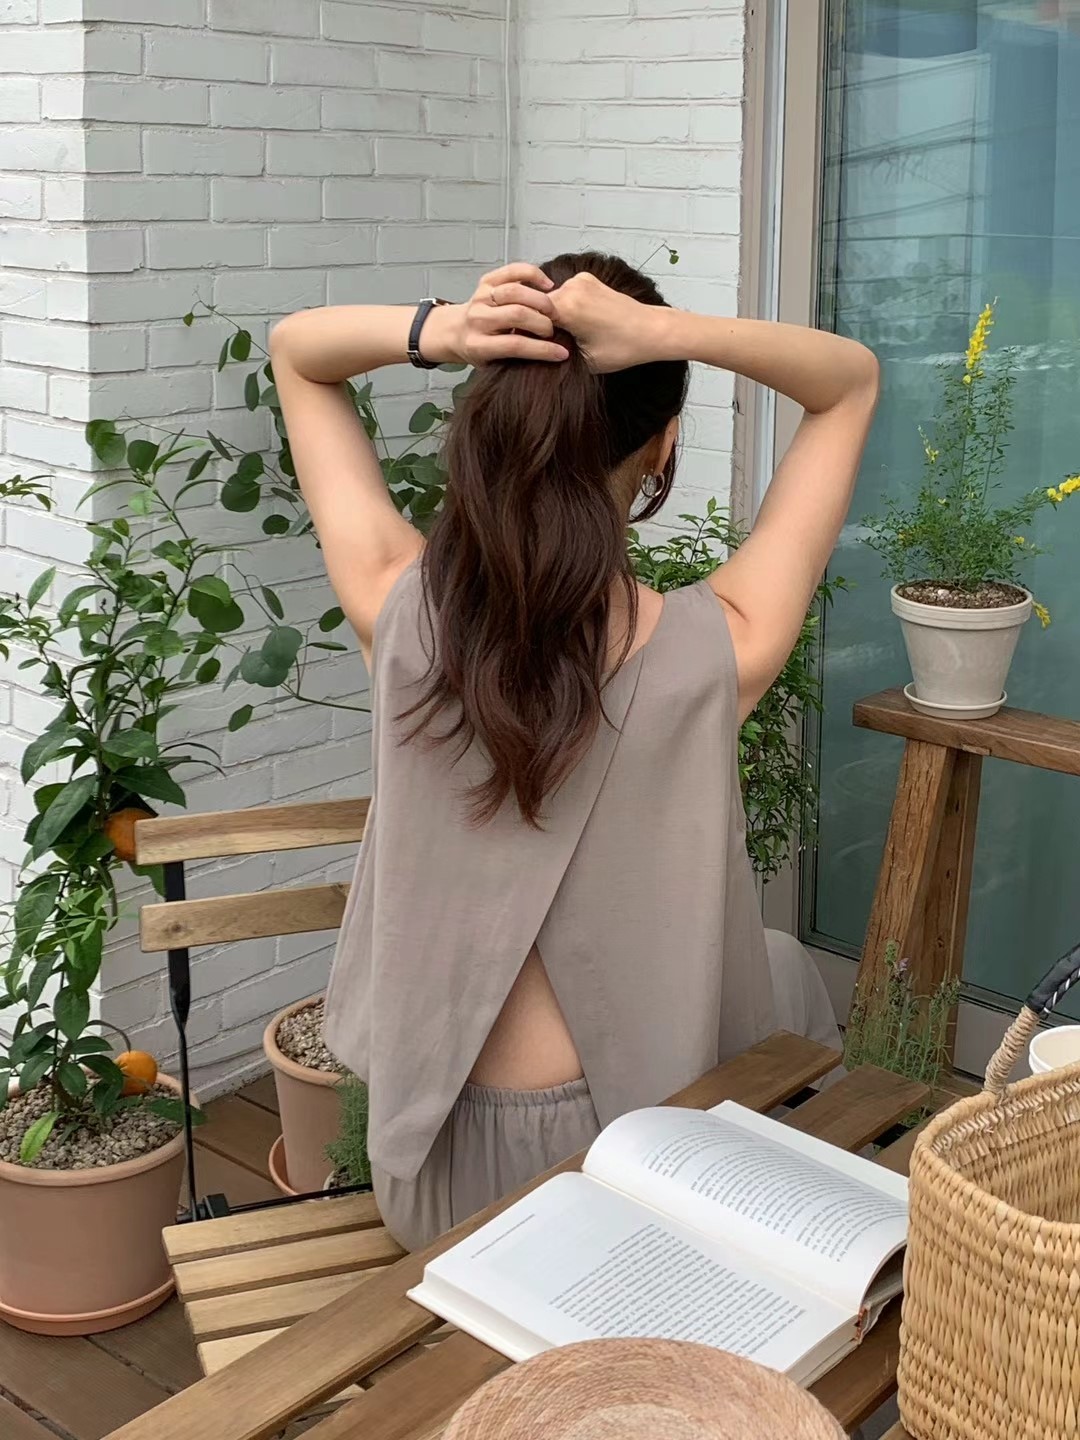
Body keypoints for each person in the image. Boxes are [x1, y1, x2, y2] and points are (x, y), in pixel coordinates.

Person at [269, 254, 879, 1251]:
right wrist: (670, 336)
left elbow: (298, 351)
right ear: (663, 447)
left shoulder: (397, 608)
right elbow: (848, 380)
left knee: (783, 972)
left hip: (434, 1180)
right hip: (635, 1184)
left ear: (494, 423)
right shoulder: (716, 649)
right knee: (786, 987)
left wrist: (446, 329)